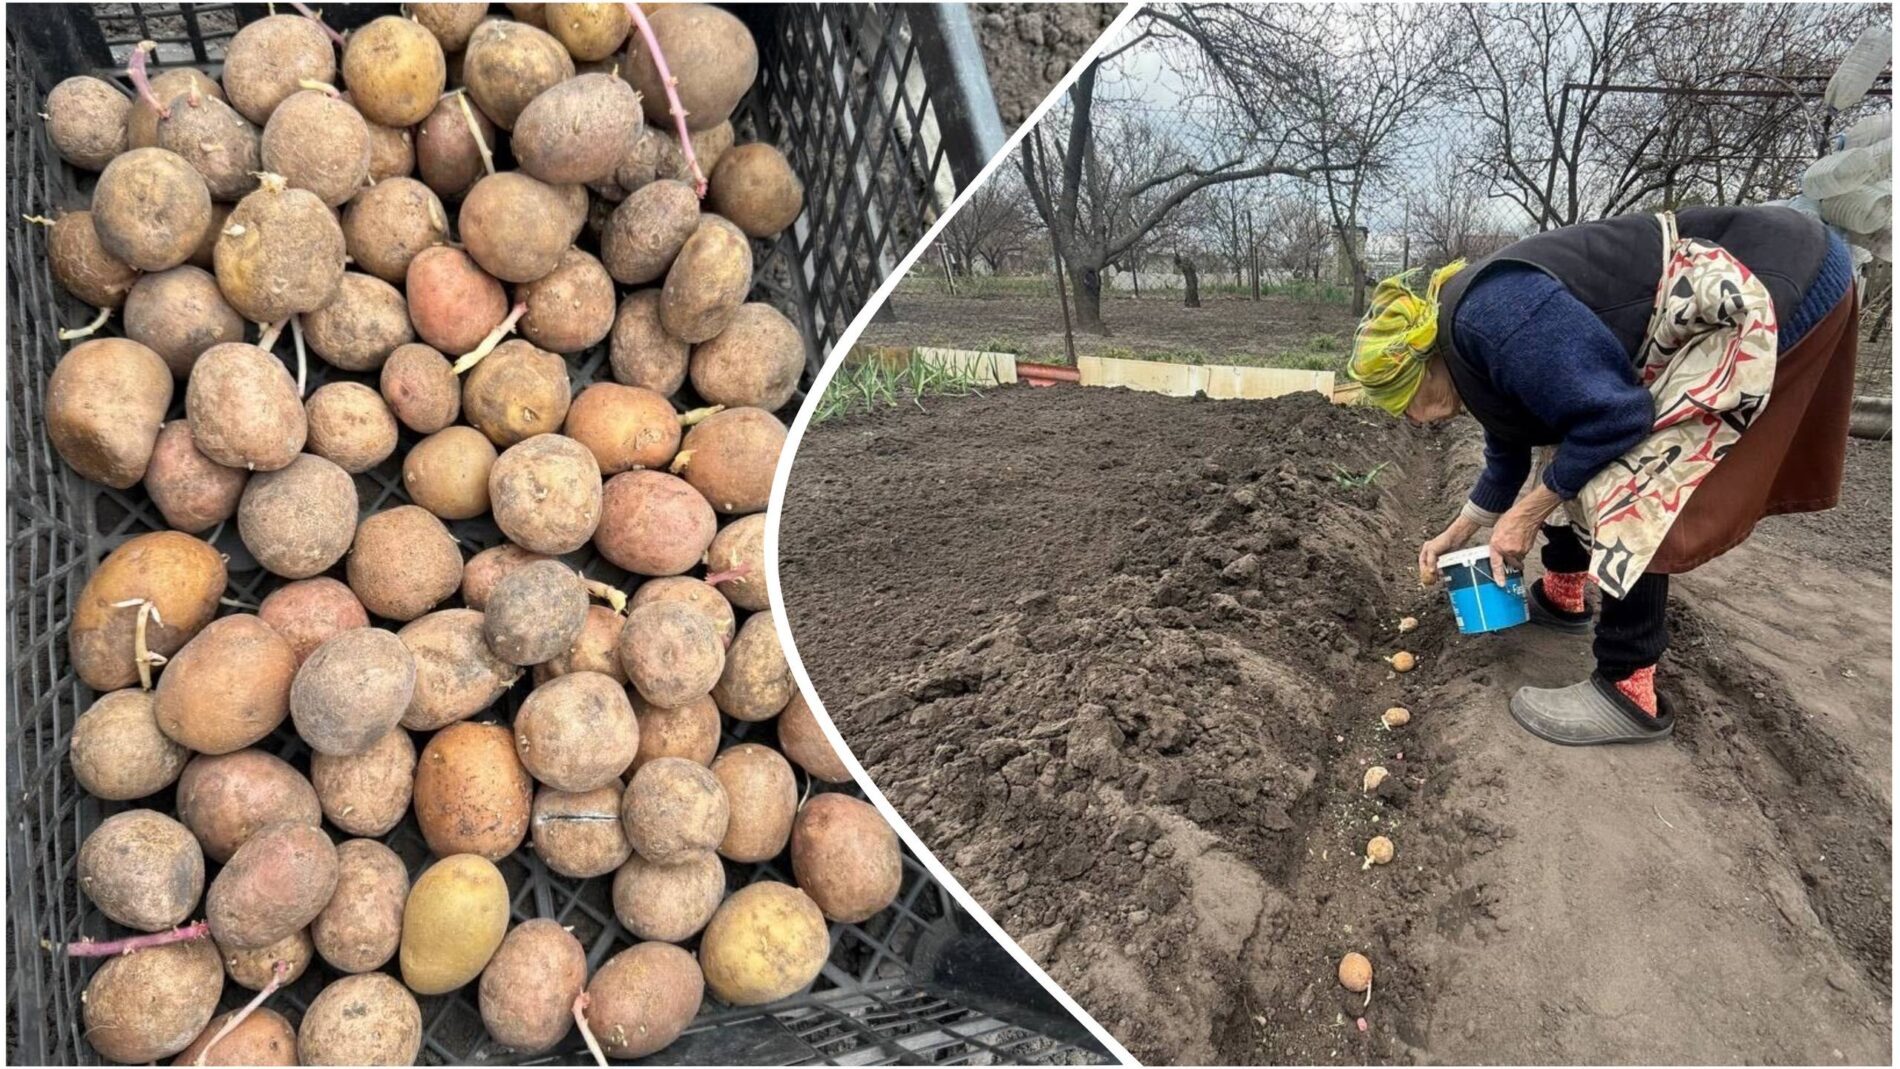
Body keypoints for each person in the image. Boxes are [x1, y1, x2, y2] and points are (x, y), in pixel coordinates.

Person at [1347, 205, 1856, 746]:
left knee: (1631, 473)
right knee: (1568, 452)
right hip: (1744, 281)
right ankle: (1566, 591)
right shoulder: (1470, 347)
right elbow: (1511, 446)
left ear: (1425, 368)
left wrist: (1524, 515)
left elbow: (1618, 416)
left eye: (1407, 406)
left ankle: (1627, 687)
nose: (1414, 421)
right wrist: (1458, 532)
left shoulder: (1495, 319)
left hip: (1768, 282)